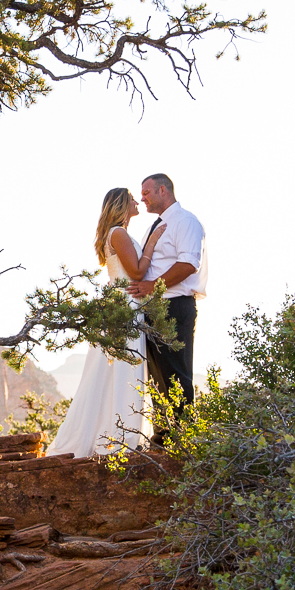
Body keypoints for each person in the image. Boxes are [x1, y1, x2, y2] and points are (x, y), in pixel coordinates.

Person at [48, 187, 156, 458]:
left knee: (118, 372)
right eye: (132, 198)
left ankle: (117, 433)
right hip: (125, 308)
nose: (137, 201)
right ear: (122, 204)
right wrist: (153, 242)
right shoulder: (118, 234)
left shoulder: (117, 233)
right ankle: (120, 437)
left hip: (125, 305)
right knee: (124, 371)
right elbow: (137, 271)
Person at [128, 172, 206, 444]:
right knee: (158, 374)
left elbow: (188, 264)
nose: (142, 198)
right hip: (154, 308)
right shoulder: (159, 225)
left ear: (164, 190)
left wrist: (153, 287)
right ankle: (163, 435)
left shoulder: (185, 222)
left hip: (174, 306)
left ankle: (183, 437)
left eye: (147, 192)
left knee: (176, 372)